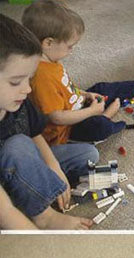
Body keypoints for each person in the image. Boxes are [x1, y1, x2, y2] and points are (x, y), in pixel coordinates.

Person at [0, 13, 96, 229]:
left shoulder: (20, 102)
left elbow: (35, 134)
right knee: (18, 145)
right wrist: (46, 220)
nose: (28, 89)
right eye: (16, 82)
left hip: (19, 165)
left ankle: (34, 190)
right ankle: (41, 212)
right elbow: (4, 210)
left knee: (88, 154)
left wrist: (54, 167)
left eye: (29, 78)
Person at [22, 0, 134, 145]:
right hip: (66, 130)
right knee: (99, 127)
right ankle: (106, 116)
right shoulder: (41, 76)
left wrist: (84, 94)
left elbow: (65, 89)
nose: (72, 51)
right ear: (48, 43)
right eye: (70, 46)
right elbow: (56, 118)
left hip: (76, 107)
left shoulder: (50, 59)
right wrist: (91, 112)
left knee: (101, 88)